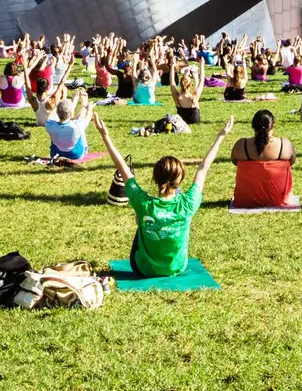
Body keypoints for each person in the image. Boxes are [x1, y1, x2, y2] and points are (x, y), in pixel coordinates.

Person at [94, 111, 233, 277]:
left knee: (141, 219)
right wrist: (220, 136)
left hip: (144, 270)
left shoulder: (143, 203)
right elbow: (203, 168)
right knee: (144, 217)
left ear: (155, 178)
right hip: (177, 267)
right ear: (180, 179)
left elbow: (123, 168)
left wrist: (105, 136)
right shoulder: (188, 203)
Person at [230, 109, 297, 209]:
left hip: (245, 200)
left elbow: (234, 161)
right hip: (277, 199)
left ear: (253, 126)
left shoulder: (241, 145)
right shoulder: (285, 144)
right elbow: (292, 161)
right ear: (272, 126)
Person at [35, 84, 94, 164]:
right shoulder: (77, 125)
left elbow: (54, 114)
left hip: (56, 154)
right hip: (76, 155)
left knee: (77, 124)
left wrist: (71, 101)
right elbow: (87, 116)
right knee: (81, 130)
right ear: (70, 113)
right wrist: (86, 105)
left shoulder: (49, 125)